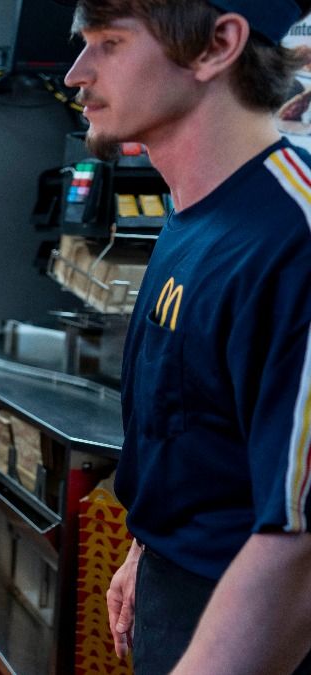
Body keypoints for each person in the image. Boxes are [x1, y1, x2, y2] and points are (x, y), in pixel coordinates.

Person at [64, 1, 311, 672]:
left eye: (109, 43)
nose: (74, 73)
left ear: (216, 47)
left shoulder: (293, 239)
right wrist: (147, 547)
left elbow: (300, 541)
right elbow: (198, 425)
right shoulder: (191, 217)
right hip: (176, 588)